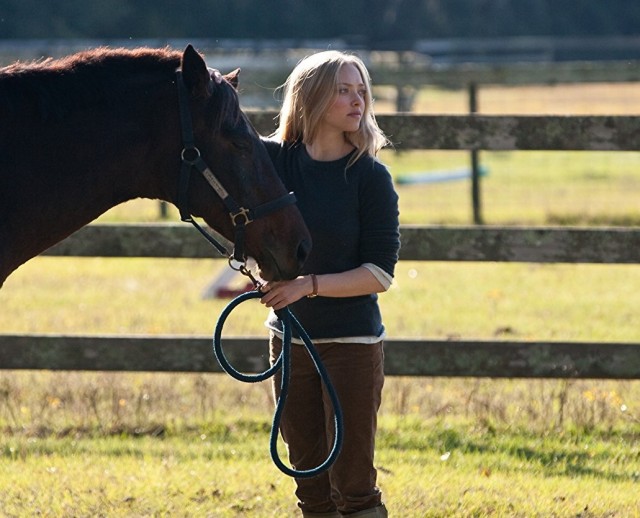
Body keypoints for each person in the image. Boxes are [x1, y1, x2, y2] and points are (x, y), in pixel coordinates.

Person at [258, 51, 400, 517]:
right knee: (309, 484)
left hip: (352, 345)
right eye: (343, 89)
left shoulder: (370, 178)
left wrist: (307, 285)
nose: (357, 100)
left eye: (361, 90)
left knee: (354, 487)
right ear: (312, 96)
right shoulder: (272, 163)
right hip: (290, 342)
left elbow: (379, 274)